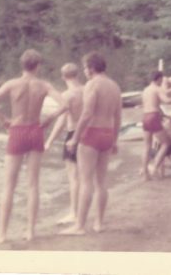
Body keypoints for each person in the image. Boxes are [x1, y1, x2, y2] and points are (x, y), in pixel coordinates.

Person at [0, 49, 67, 243]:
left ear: (22, 65)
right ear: (38, 66)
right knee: (33, 184)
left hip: (17, 131)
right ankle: (30, 231)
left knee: (9, 186)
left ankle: (2, 233)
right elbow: (64, 104)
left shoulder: (12, 84)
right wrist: (49, 119)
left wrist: (3, 120)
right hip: (36, 130)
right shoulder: (44, 85)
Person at [60, 51, 122, 235]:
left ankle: (79, 226)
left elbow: (87, 114)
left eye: (86, 67)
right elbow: (118, 116)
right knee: (102, 182)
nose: (85, 71)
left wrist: (75, 138)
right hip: (108, 134)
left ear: (92, 68)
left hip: (92, 134)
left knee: (86, 181)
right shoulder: (115, 86)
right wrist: (115, 140)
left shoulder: (92, 85)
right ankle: (99, 223)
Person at [44, 63, 84, 225]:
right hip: (88, 134)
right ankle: (82, 211)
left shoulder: (67, 95)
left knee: (73, 177)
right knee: (86, 177)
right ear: (78, 74)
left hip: (73, 134)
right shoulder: (87, 90)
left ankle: (74, 213)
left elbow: (61, 122)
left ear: (63, 77)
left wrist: (49, 142)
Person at [140, 70, 171, 181]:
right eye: (161, 79)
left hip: (145, 116)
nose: (162, 81)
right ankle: (155, 167)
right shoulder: (157, 89)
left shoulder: (146, 90)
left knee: (147, 146)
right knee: (166, 143)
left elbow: (147, 104)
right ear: (158, 79)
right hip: (153, 116)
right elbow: (167, 100)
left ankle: (145, 174)